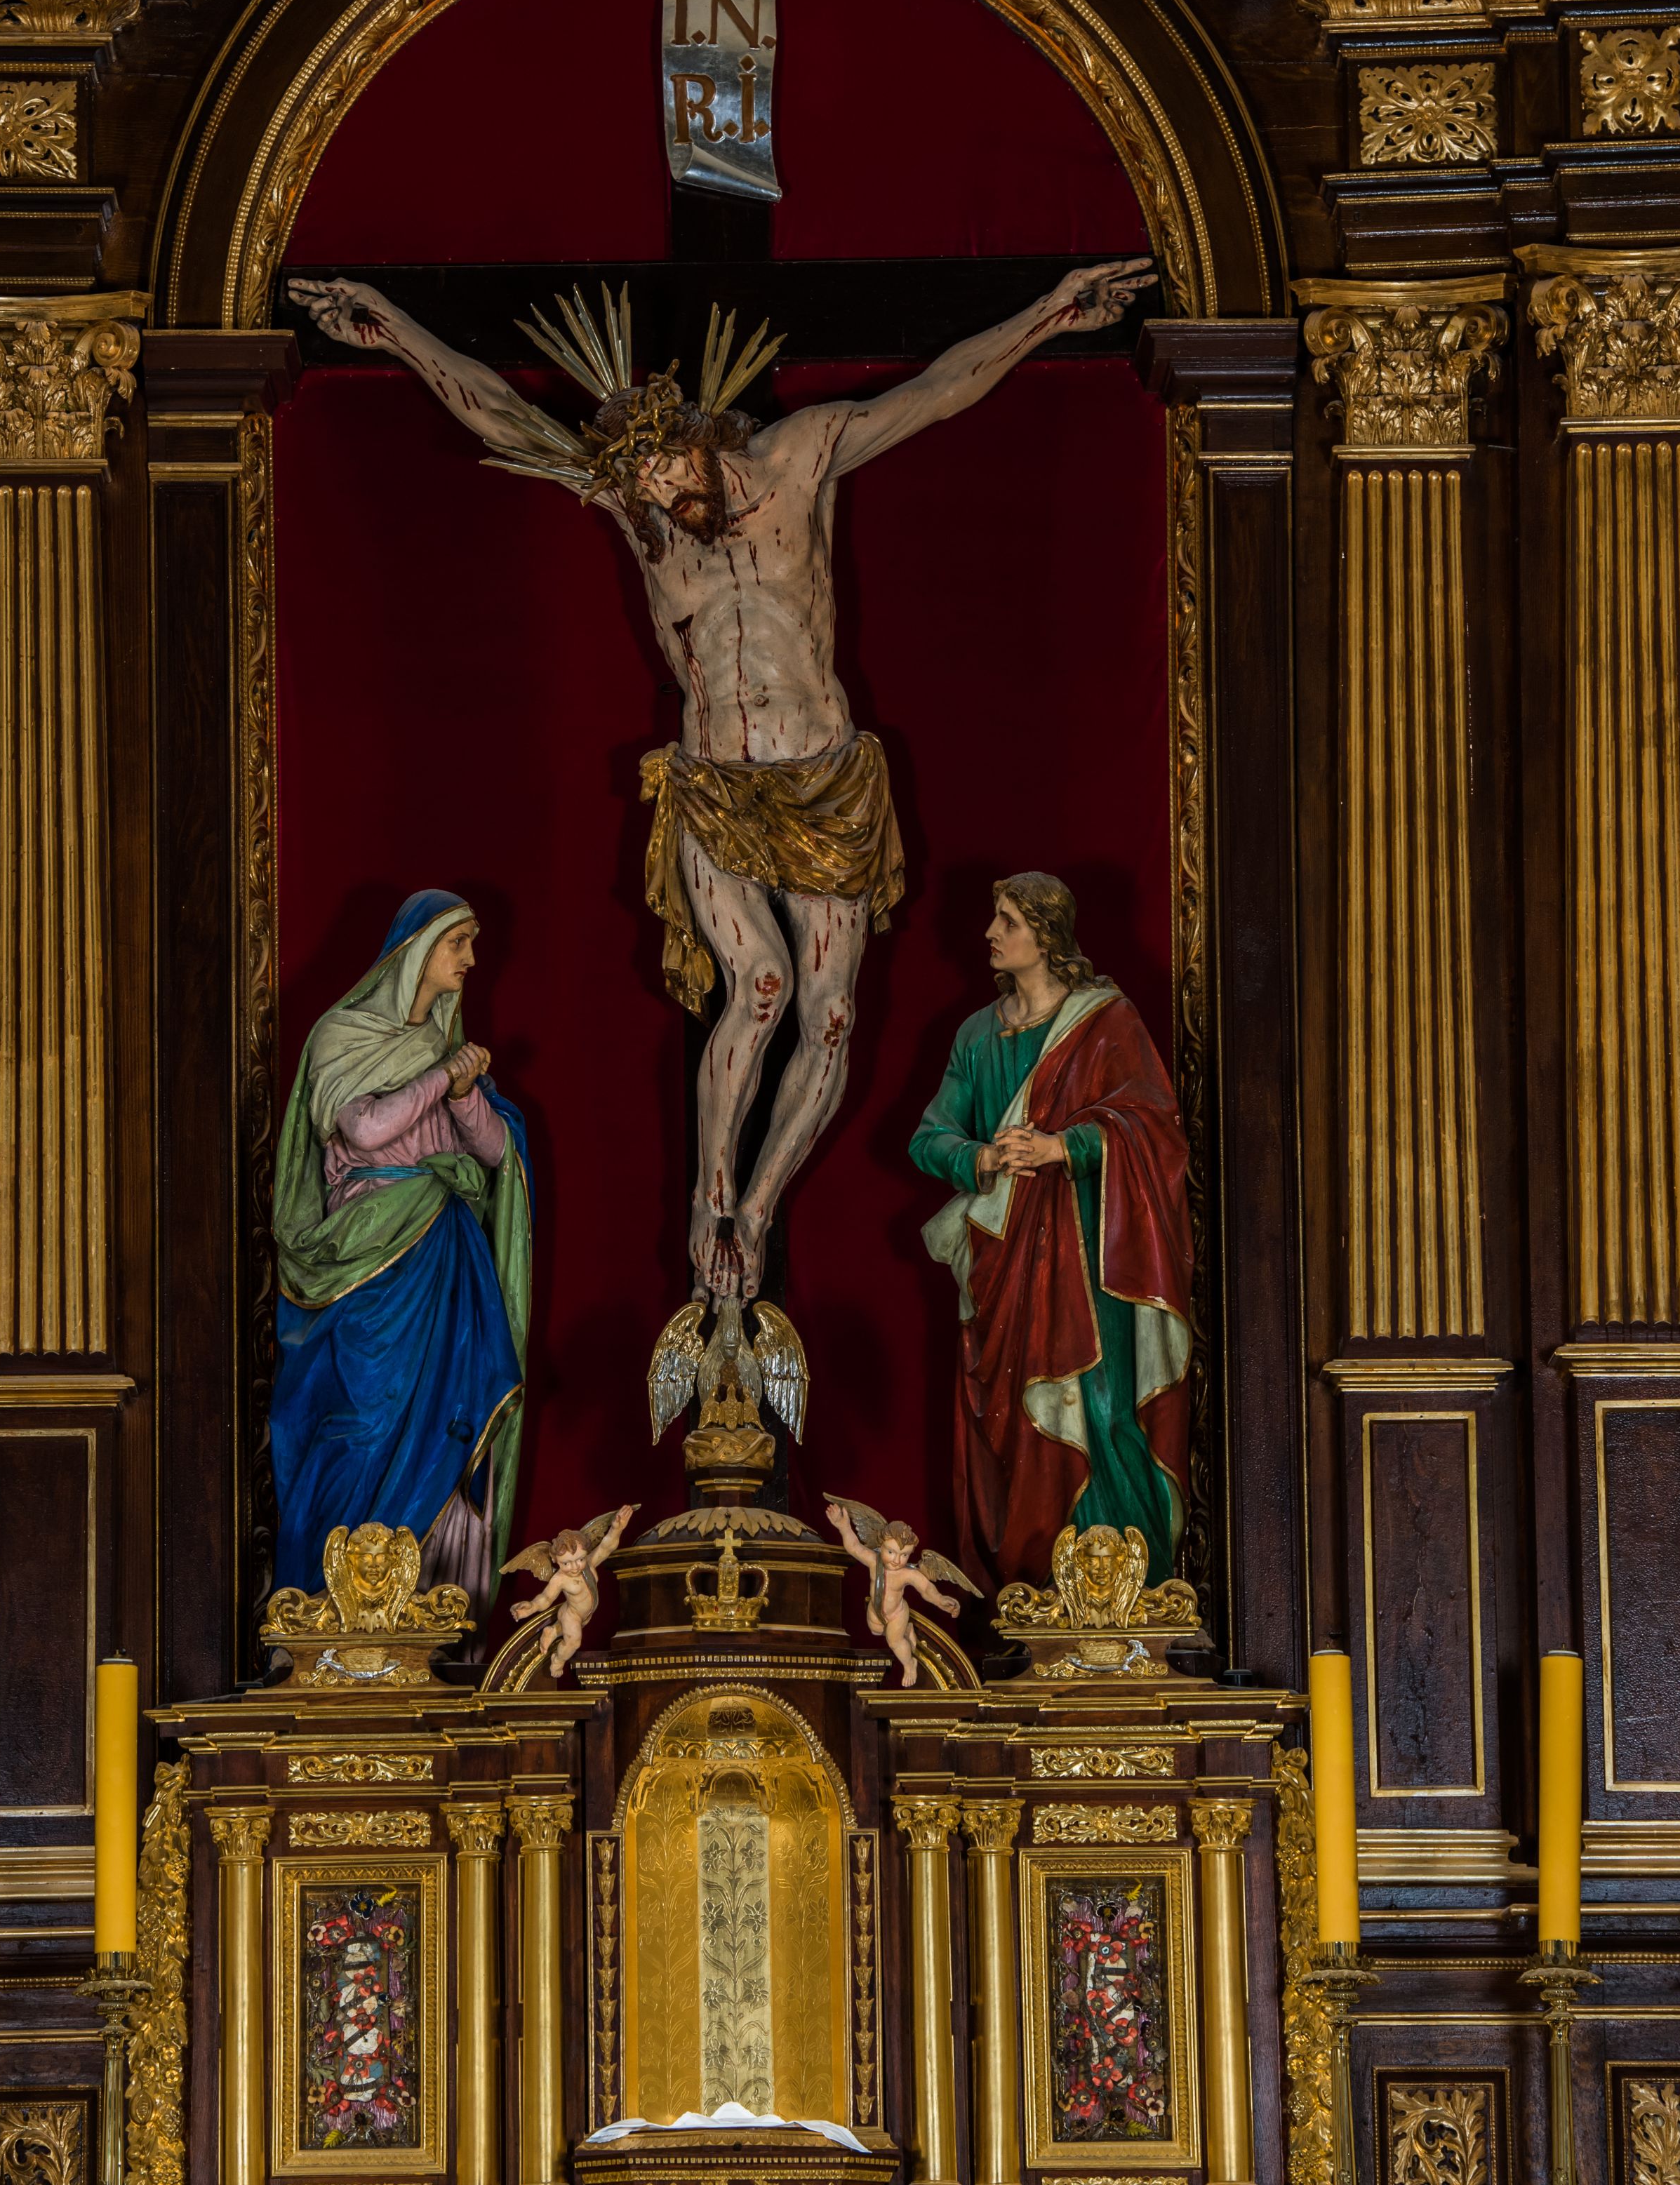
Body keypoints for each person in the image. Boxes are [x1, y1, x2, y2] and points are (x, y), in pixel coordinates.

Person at [291, 263, 1153, 1299]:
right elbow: (503, 414)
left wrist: (1051, 315)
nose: (658, 499)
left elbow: (936, 392)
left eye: (663, 472)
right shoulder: (642, 511)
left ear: (693, 435)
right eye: (641, 488)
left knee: (829, 1015)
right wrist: (393, 331)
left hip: (824, 786)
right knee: (761, 986)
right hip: (714, 785)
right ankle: (710, 1193)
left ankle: (761, 1200)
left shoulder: (801, 455)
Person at [909, 871, 1189, 1597]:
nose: (990, 933)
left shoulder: (1107, 1022)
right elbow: (929, 1137)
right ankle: (1035, 1584)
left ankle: (1124, 1589)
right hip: (1003, 1259)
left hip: (1094, 1261)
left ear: (1046, 933)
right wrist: (982, 1157)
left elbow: (1156, 1127)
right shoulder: (978, 1035)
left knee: (1100, 1405)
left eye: (1008, 920)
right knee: (1015, 1424)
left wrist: (1064, 1147)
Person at [269, 888, 531, 1604]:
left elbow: (494, 1153)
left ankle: (421, 1607)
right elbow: (365, 1128)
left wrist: (464, 1092)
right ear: (416, 950)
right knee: (364, 1418)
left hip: (444, 1259)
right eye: (458, 942)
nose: (471, 958)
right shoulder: (340, 1036)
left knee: (445, 1416)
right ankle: (324, 1605)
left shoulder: (443, 1050)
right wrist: (443, 1077)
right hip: (366, 1260)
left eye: (473, 943)